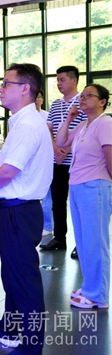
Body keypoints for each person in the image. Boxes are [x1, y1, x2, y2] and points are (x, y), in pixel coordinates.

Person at [0, 63, 53, 354]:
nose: (0, 89)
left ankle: (31, 348)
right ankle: (8, 329)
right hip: (14, 209)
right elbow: (9, 172)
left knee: (24, 281)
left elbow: (9, 171)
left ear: (25, 89)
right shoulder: (22, 121)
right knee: (12, 276)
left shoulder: (29, 124)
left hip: (19, 213)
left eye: (6, 83)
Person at [55, 84, 112, 309]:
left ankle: (98, 296)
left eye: (89, 96)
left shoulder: (105, 123)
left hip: (95, 186)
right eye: (83, 95)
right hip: (78, 186)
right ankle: (90, 287)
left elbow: (110, 157)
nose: (83, 98)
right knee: (83, 242)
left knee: (95, 242)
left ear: (102, 102)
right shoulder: (83, 125)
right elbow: (61, 142)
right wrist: (69, 118)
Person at [40, 66, 87, 260]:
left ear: (74, 80)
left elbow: (85, 129)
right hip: (56, 161)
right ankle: (60, 238)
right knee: (57, 202)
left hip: (76, 161)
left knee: (77, 204)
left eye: (62, 79)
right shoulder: (56, 104)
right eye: (57, 80)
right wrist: (54, 148)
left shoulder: (83, 102)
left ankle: (81, 244)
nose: (59, 83)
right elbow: (49, 129)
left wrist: (66, 149)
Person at [36, 90, 53, 237]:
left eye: (39, 97)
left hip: (45, 159)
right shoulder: (23, 117)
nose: (36, 100)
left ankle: (48, 226)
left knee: (47, 196)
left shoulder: (47, 116)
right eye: (34, 97)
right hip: (31, 161)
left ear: (42, 99)